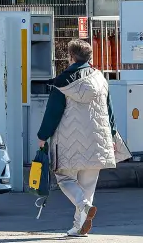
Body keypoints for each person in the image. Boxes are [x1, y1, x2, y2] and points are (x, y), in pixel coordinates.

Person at [37, 39, 122, 238]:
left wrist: (43, 136)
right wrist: (112, 135)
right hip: (98, 140)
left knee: (64, 177)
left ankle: (83, 206)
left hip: (70, 141)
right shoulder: (100, 78)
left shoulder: (62, 82)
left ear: (71, 57)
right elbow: (109, 111)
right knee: (88, 185)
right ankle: (79, 226)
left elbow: (53, 113)